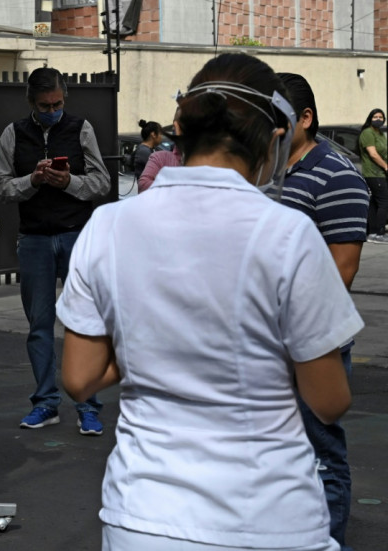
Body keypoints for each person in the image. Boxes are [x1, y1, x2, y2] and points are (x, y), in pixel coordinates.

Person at [56, 52, 361, 550]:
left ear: (180, 126)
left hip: (143, 514)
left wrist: (151, 347)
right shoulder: (288, 233)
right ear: (272, 138)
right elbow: (329, 402)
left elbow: (79, 378)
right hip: (267, 515)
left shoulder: (109, 225)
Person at [0, 67, 110, 435]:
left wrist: (69, 181)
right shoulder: (13, 133)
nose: (52, 110)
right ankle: (45, 402)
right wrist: (33, 180)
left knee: (84, 323)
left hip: (76, 235)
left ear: (65, 98)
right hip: (35, 238)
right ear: (31, 103)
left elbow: (102, 182)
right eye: (44, 105)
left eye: (57, 104)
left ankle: (88, 405)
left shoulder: (81, 128)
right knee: (39, 326)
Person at [277, 72, 369, 551]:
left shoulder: (337, 175)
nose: (267, 130)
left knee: (320, 452)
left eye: (278, 119)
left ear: (306, 119)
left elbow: (343, 270)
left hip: (313, 341)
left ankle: (328, 540)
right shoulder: (261, 170)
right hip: (265, 341)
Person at [358, 108, 388, 243]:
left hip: (380, 173)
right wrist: (386, 166)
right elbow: (373, 154)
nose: (378, 119)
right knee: (384, 202)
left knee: (375, 203)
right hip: (373, 173)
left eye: (381, 117)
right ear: (370, 118)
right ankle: (379, 233)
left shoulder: (380, 134)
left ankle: (372, 233)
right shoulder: (367, 133)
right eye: (376, 117)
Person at [137, 109, 182, 192]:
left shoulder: (151, 151)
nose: (161, 137)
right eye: (160, 133)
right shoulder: (148, 153)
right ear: (153, 134)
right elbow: (144, 183)